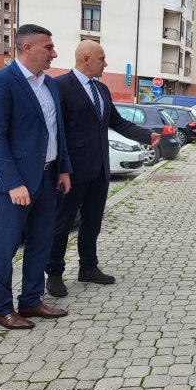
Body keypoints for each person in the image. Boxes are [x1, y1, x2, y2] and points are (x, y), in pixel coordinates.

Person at [45, 40, 161, 297]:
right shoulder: (60, 86)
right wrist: (60, 167)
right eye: (102, 58)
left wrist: (146, 134)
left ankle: (88, 267)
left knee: (92, 222)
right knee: (61, 224)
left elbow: (116, 122)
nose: (105, 64)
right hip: (71, 171)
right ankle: (53, 273)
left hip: (99, 170)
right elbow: (56, 131)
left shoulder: (102, 89)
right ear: (85, 58)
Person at [0, 24, 72, 330]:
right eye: (49, 47)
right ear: (27, 48)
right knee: (6, 249)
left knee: (40, 244)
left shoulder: (49, 85)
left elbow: (57, 133)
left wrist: (63, 169)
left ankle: (31, 300)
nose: (54, 53)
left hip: (47, 179)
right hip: (15, 185)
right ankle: (1, 308)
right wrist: (13, 183)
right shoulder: (1, 83)